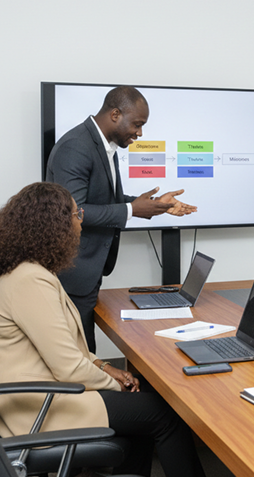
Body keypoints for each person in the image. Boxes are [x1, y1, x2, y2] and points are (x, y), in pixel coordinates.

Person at [0, 182, 208, 477]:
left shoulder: (30, 272)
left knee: (144, 407)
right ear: (52, 227)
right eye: (76, 215)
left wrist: (104, 367)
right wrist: (114, 383)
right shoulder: (30, 282)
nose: (81, 221)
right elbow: (68, 367)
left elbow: (65, 348)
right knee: (165, 414)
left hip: (41, 392)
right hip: (37, 408)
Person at [46, 85, 196, 353]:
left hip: (87, 271)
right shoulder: (76, 147)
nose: (140, 133)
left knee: (85, 350)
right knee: (79, 353)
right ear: (115, 114)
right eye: (137, 124)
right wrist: (133, 210)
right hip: (72, 271)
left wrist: (153, 205)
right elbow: (75, 211)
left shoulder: (105, 145)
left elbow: (103, 200)